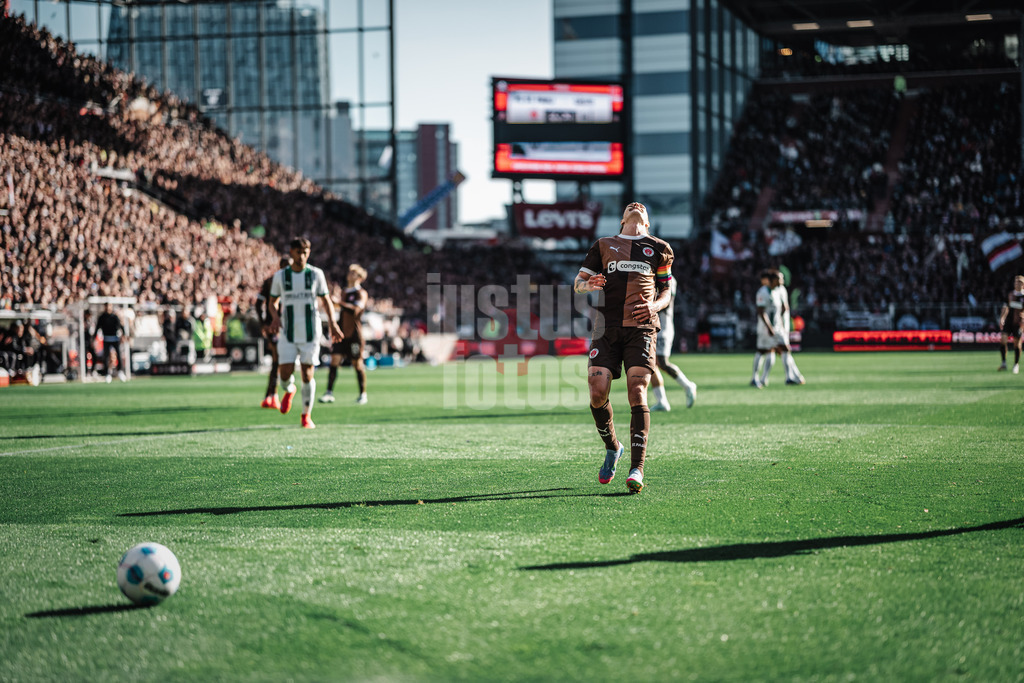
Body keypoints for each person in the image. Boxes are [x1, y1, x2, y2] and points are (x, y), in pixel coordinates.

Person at [575, 201, 674, 494]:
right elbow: (578, 283)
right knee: (596, 391)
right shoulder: (604, 245)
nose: (636, 205)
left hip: (641, 329)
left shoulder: (660, 248)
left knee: (637, 390)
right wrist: (588, 284)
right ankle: (613, 447)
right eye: (630, 205)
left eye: (641, 206)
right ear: (622, 219)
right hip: (606, 328)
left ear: (647, 220)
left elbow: (667, 290)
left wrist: (654, 305)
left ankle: (637, 468)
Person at [267, 237, 344, 429]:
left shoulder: (316, 274)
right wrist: (275, 317)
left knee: (308, 373)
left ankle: (306, 416)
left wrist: (333, 323)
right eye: (299, 252)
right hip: (288, 332)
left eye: (306, 252)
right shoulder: (281, 276)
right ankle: (289, 389)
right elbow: (272, 302)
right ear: (291, 252)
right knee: (284, 374)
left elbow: (326, 301)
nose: (302, 256)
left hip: (311, 332)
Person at [320, 264, 369, 405]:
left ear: (360, 277)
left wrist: (339, 303)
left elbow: (355, 310)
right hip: (341, 334)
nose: (350, 274)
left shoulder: (361, 293)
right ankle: (329, 392)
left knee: (357, 363)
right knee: (334, 361)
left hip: (354, 335)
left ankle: (362, 394)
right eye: (350, 272)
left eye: (354, 273)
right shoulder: (344, 292)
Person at [649, 276, 697, 411]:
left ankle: (688, 385)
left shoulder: (668, 279)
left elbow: (667, 302)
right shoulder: (651, 276)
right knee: (650, 363)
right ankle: (662, 401)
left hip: (663, 326)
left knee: (662, 362)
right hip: (651, 326)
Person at [256, 256, 293, 408]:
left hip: (288, 327)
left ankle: (271, 395)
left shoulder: (292, 282)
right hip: (276, 327)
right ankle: (275, 394)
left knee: (278, 361)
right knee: (278, 360)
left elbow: (258, 304)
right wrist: (264, 323)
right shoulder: (272, 282)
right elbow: (259, 304)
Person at [773, 269, 805, 385]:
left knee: (783, 352)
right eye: (780, 278)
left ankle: (791, 376)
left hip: (781, 327)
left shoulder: (781, 290)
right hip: (779, 327)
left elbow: (784, 308)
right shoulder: (776, 291)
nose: (783, 280)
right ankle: (794, 376)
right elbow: (784, 308)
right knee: (783, 351)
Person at [751, 270, 776, 388]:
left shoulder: (774, 291)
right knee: (762, 351)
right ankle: (756, 377)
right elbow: (760, 311)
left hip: (773, 327)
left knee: (769, 351)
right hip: (764, 327)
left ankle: (764, 378)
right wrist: (769, 326)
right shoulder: (762, 292)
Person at [997, 274, 1024, 374]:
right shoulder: (1010, 294)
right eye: (1016, 282)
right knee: (1003, 340)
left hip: (1018, 322)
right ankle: (1004, 362)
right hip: (1008, 321)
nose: (1017, 284)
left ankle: (1016, 364)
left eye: (1020, 282)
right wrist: (1002, 318)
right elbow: (1005, 307)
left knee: (1017, 343)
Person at [94, 302, 127, 382]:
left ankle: (120, 371)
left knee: (118, 355)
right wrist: (94, 338)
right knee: (106, 357)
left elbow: (121, 326)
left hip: (115, 339)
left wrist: (124, 335)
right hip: (106, 339)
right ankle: (107, 374)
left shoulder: (114, 317)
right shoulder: (102, 317)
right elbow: (97, 328)